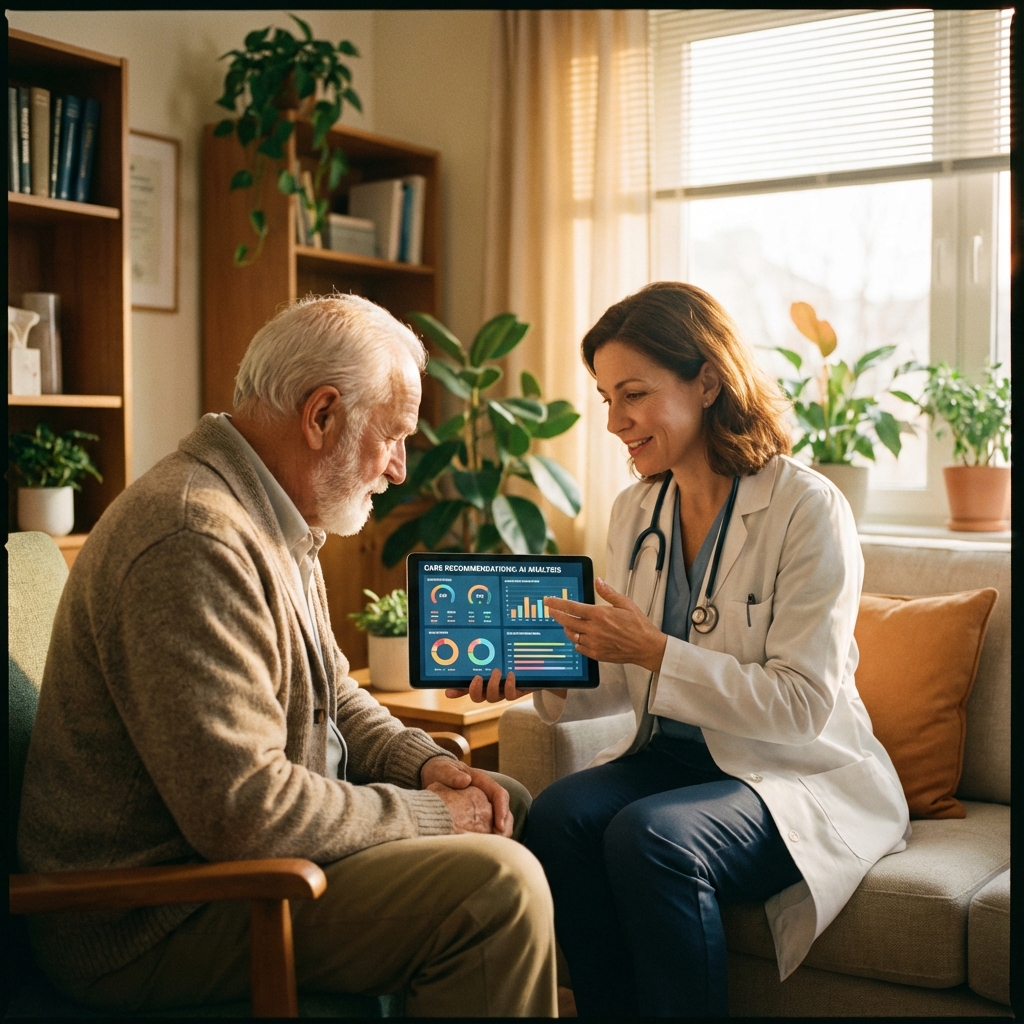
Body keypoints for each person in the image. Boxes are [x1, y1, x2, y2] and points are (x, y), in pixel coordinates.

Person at [18, 294, 558, 1018]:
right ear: (322, 415)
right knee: (497, 890)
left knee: (513, 805)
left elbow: (333, 691)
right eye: (393, 435)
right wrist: (433, 815)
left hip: (231, 872)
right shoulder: (193, 540)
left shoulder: (273, 515)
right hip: (153, 918)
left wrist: (422, 762)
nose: (399, 469)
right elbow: (247, 813)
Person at [452, 282, 910, 1017]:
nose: (613, 421)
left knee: (650, 837)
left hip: (788, 769)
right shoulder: (639, 508)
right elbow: (622, 667)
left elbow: (799, 707)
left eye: (632, 394)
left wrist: (658, 651)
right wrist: (543, 672)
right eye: (605, 397)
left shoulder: (806, 508)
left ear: (707, 380)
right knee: (559, 817)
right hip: (673, 757)